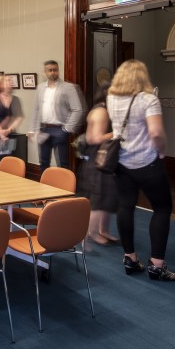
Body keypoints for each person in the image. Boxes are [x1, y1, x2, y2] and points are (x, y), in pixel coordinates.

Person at [107, 60, 175, 281]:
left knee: (125, 207)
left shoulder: (111, 98)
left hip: (122, 161)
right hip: (147, 161)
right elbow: (156, 132)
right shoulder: (148, 99)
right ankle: (157, 265)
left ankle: (130, 258)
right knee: (162, 208)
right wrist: (162, 150)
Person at [30, 60, 84, 174]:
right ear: (45, 72)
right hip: (43, 129)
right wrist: (32, 129)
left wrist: (67, 128)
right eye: (50, 70)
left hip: (59, 129)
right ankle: (43, 187)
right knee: (43, 162)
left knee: (62, 163)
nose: (53, 72)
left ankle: (64, 189)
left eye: (55, 70)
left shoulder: (68, 87)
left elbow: (77, 109)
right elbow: (35, 109)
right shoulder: (40, 88)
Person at [79, 93, 119, 246]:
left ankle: (104, 230)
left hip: (104, 159)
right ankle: (92, 232)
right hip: (98, 159)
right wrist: (117, 133)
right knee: (99, 197)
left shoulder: (104, 110)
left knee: (108, 197)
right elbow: (94, 138)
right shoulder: (100, 112)